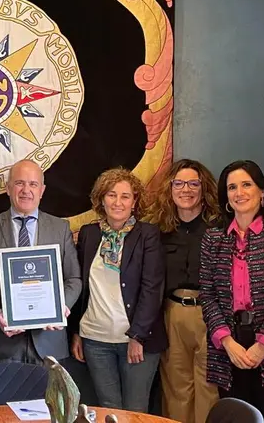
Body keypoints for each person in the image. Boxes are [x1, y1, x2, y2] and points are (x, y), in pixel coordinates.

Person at [199, 160, 264, 423]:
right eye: (232, 187)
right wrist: (227, 342)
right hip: (229, 349)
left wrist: (263, 345)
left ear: (262, 192)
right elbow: (208, 295)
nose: (239, 192)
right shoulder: (214, 238)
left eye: (247, 184)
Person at [68, 167, 166, 412]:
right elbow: (82, 288)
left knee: (135, 411)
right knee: (108, 410)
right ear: (102, 199)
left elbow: (152, 288)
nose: (118, 202)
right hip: (95, 340)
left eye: (125, 196)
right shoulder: (90, 234)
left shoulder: (148, 235)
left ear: (135, 202)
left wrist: (137, 336)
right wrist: (77, 332)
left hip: (135, 340)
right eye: (111, 195)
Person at [0, 159, 82, 365]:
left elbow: (73, 278)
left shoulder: (60, 228)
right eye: (19, 183)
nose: (26, 190)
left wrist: (60, 306)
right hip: (3, 344)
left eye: (33, 184)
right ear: (8, 188)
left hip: (49, 344)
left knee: (49, 399)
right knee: (4, 398)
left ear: (42, 190)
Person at [147, 159, 221, 423]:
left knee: (209, 387)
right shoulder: (159, 230)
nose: (185, 189)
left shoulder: (219, 227)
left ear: (204, 188)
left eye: (193, 183)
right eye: (179, 183)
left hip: (212, 315)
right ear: (170, 188)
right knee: (176, 389)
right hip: (173, 313)